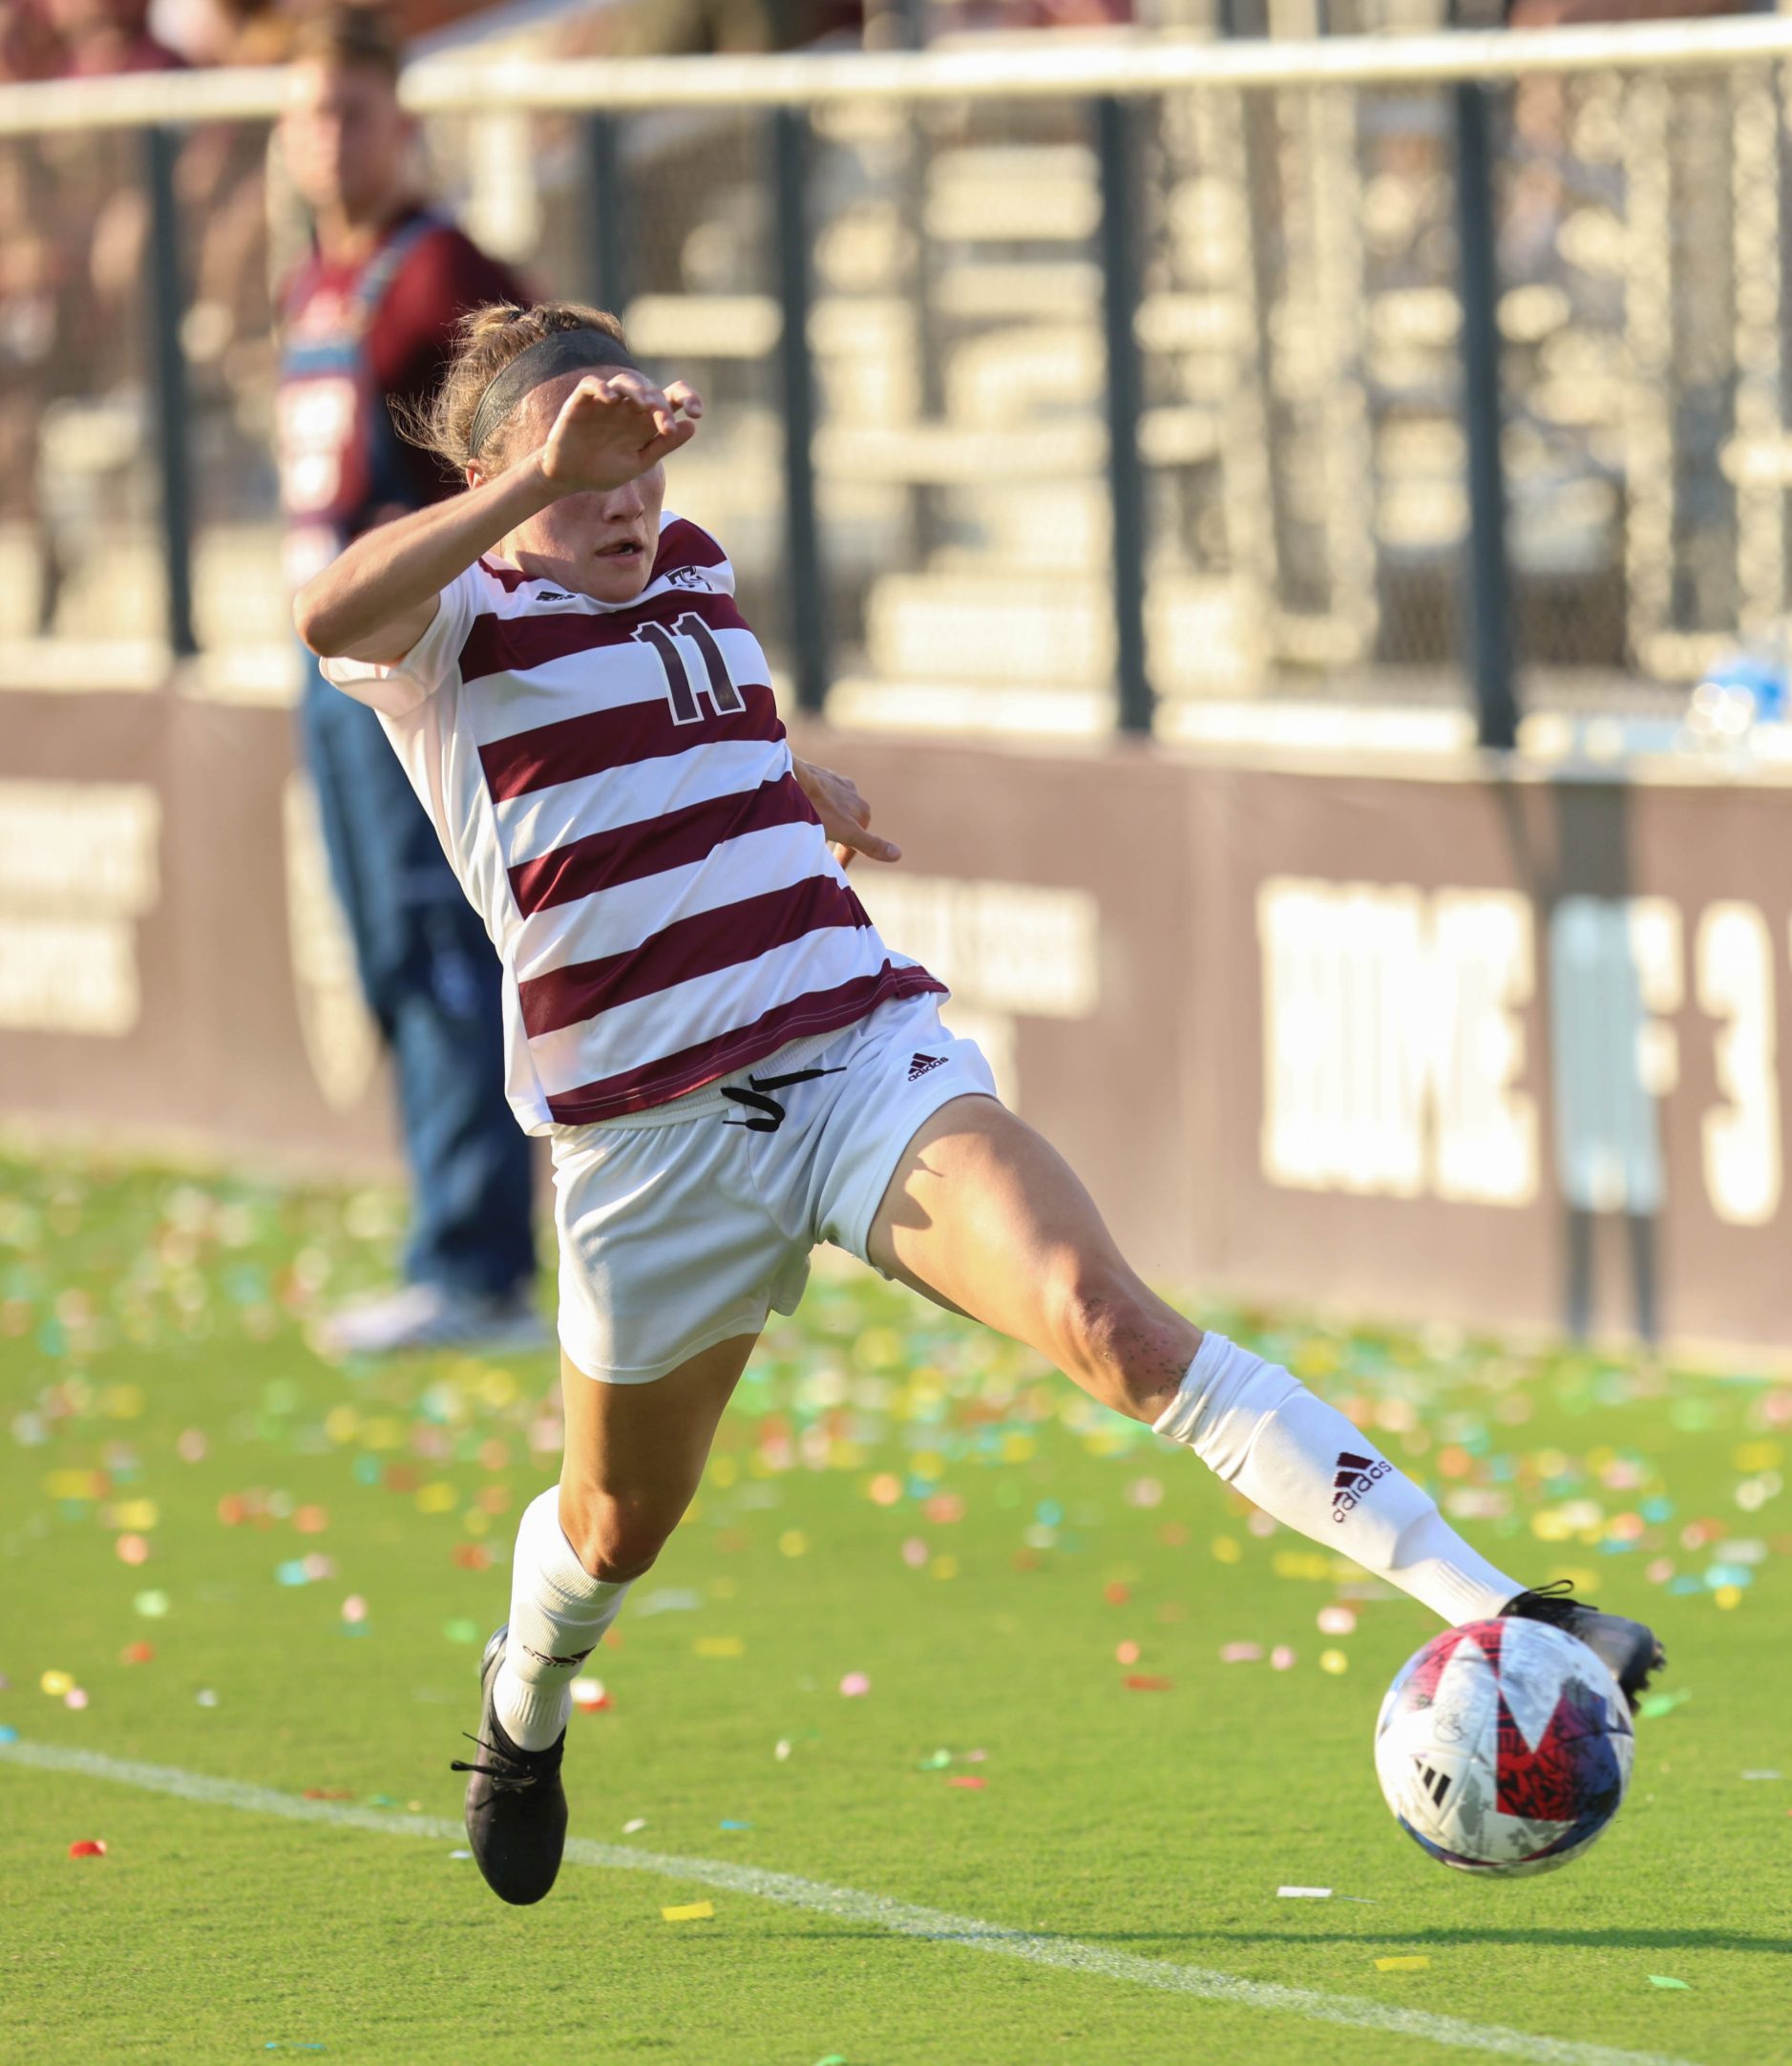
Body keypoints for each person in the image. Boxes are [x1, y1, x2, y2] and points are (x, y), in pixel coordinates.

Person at [293, 299, 1667, 1906]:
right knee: (612, 1530)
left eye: (632, 463)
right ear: (491, 473)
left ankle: (1510, 1611)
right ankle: (521, 1712)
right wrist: (537, 483)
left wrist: (792, 781)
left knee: (1113, 1324)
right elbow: (325, 612)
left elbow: (679, 723)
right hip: (645, 1146)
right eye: (570, 469)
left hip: (853, 1058)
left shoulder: (692, 568)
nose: (620, 499)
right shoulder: (453, 628)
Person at [277, 6, 544, 1355]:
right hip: (324, 661)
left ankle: (477, 1258)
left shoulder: (444, 276)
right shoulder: (316, 281)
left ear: (403, 123)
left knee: (442, 941)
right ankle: (448, 1232)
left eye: (355, 113)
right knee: (385, 944)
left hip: (410, 658)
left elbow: (520, 438)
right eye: (311, 113)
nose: (330, 140)